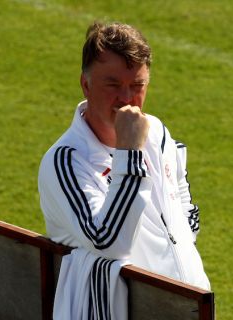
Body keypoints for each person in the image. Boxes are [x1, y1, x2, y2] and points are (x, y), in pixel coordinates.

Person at [38, 21, 210, 319]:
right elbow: (107, 242)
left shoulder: (157, 133)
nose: (127, 99)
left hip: (187, 303)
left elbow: (183, 204)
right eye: (113, 84)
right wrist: (128, 152)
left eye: (137, 85)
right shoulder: (66, 161)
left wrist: (183, 254)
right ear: (85, 84)